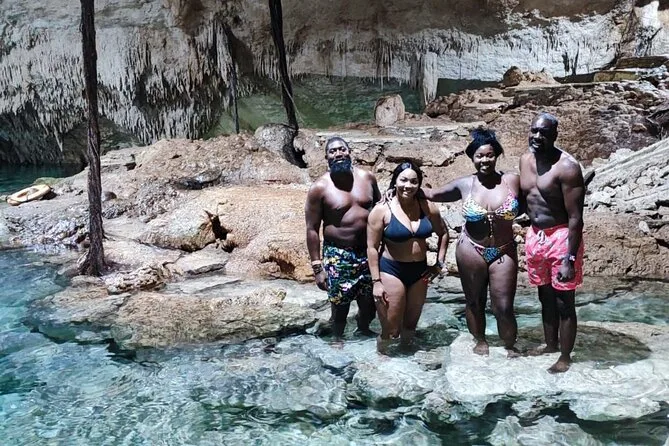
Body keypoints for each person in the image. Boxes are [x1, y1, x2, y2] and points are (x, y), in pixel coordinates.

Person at [421, 129, 520, 357]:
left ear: (497, 155)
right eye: (479, 156)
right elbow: (432, 194)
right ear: (472, 158)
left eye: (489, 155)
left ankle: (509, 344)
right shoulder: (465, 184)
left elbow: (536, 195)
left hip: (504, 250)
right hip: (471, 249)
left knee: (504, 307)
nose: (485, 160)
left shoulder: (512, 180)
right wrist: (396, 190)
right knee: (474, 301)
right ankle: (480, 340)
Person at [519, 113, 585, 373]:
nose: (537, 137)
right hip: (535, 235)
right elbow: (526, 199)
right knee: (544, 296)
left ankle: (565, 357)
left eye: (544, 133)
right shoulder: (525, 160)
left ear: (555, 135)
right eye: (534, 130)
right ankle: (550, 345)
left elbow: (576, 218)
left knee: (563, 301)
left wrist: (570, 258)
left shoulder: (567, 167)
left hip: (561, 237)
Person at [367, 161, 449, 354]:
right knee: (391, 330)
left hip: (420, 272)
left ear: (419, 184)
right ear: (395, 181)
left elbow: (444, 233)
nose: (408, 186)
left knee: (410, 327)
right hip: (391, 270)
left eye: (413, 181)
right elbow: (371, 248)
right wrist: (376, 282)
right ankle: (382, 361)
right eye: (403, 180)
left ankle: (408, 360)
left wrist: (439, 263)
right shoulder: (381, 210)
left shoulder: (427, 207)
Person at [305, 137, 381, 342]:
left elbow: (380, 209)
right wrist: (317, 267)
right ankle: (337, 339)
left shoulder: (367, 178)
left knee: (369, 301)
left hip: (368, 251)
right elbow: (312, 229)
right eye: (332, 151)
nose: (338, 153)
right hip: (338, 254)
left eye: (342, 149)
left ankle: (363, 330)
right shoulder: (319, 187)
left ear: (349, 152)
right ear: (326, 158)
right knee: (340, 304)